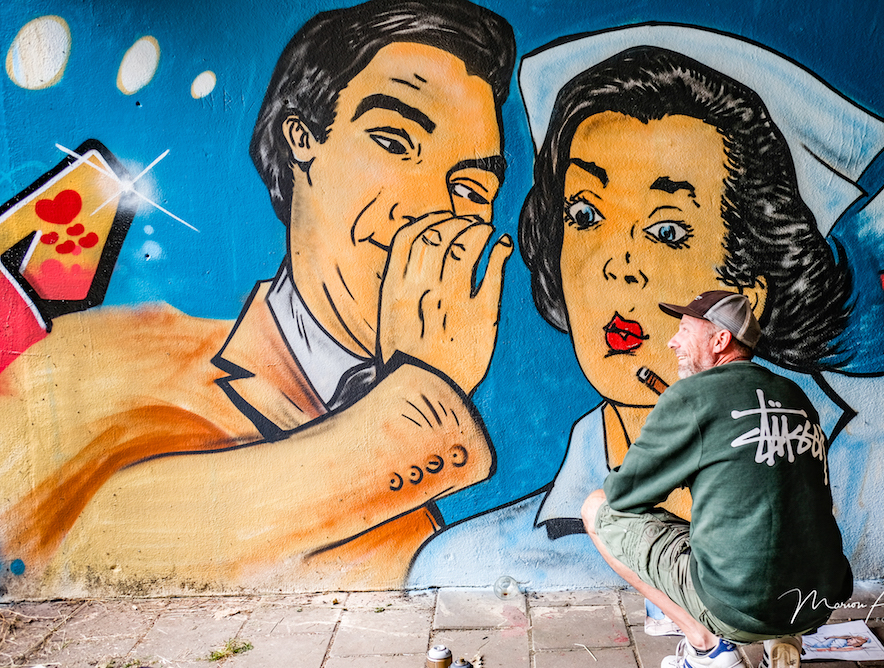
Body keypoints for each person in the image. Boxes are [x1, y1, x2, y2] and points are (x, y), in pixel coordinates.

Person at [408, 26, 884, 591]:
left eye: (667, 230)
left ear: (749, 291)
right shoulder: (478, 557)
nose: (618, 264)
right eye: (585, 216)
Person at [0, 0, 516, 594]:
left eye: (471, 187)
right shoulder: (104, 356)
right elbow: (85, 554)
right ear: (301, 141)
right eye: (394, 142)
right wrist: (427, 388)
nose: (430, 206)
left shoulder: (401, 430)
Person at [580, 290, 853, 668]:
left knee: (597, 507)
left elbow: (624, 495)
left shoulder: (693, 396)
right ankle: (782, 638)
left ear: (720, 340)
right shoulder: (794, 394)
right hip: (818, 598)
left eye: (684, 330)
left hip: (738, 604)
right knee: (762, 516)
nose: (672, 341)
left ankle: (708, 649)